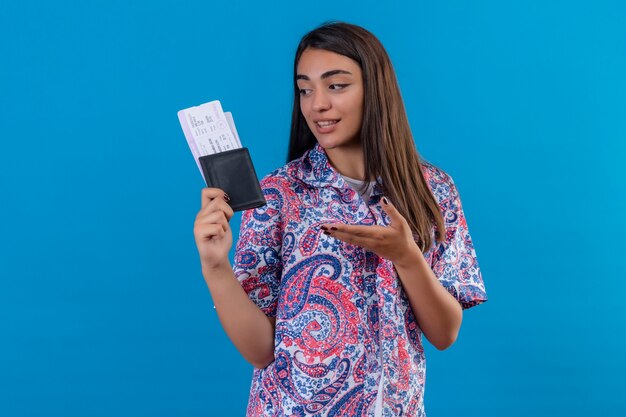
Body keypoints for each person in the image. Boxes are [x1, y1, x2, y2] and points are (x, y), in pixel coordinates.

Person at [193, 21, 488, 417]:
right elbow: (260, 351)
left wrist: (407, 257)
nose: (317, 104)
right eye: (305, 89)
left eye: (336, 85)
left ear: (375, 90)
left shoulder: (434, 189)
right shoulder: (279, 194)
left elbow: (444, 333)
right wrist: (215, 266)